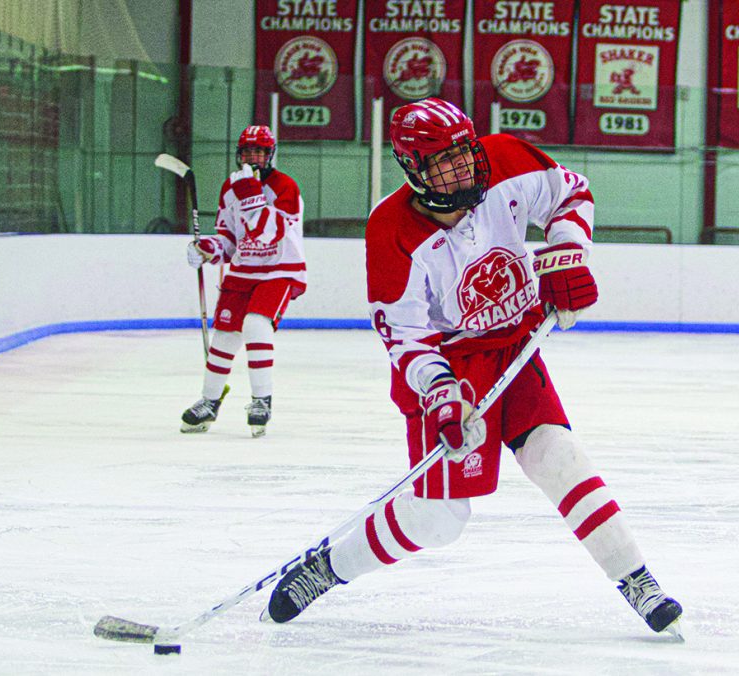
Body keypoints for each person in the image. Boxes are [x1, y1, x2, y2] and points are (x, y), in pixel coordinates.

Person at [264, 98, 683, 637]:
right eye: (446, 162)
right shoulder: (391, 229)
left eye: (466, 153)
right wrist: (440, 393)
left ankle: (638, 580)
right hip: (452, 367)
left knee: (559, 457)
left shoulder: (506, 158)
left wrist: (566, 253)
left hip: (515, 344)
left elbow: (571, 191)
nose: (465, 169)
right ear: (415, 169)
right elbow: (406, 334)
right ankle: (329, 565)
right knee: (440, 520)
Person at [180, 125, 306, 437]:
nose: (254, 157)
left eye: (260, 152)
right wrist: (208, 248)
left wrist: (250, 193)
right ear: (240, 154)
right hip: (243, 271)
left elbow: (270, 232)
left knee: (255, 324)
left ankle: (261, 400)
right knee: (223, 337)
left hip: (279, 269)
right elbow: (230, 239)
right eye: (249, 152)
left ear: (270, 154)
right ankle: (209, 401)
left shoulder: (285, 187)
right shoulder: (230, 188)